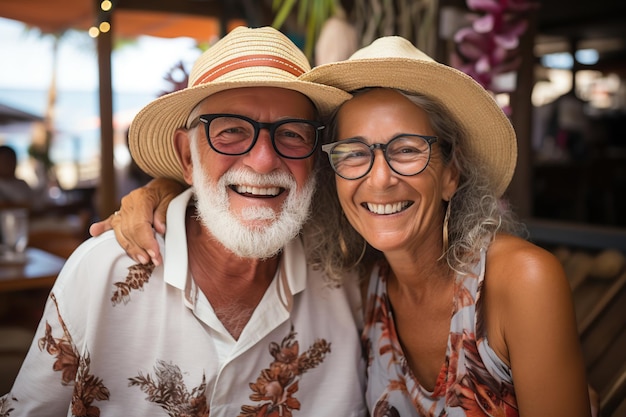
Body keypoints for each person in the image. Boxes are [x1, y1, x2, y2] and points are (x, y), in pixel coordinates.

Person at [95, 36, 593, 416]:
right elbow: (251, 191)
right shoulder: (357, 278)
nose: (379, 180)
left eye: (406, 150)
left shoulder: (521, 281)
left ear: (452, 173)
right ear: (332, 174)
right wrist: (162, 193)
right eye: (354, 154)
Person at [1, 26, 368, 416]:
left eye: (292, 134)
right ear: (187, 157)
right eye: (231, 131)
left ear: (314, 159)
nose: (263, 160)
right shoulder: (101, 272)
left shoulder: (346, 284)